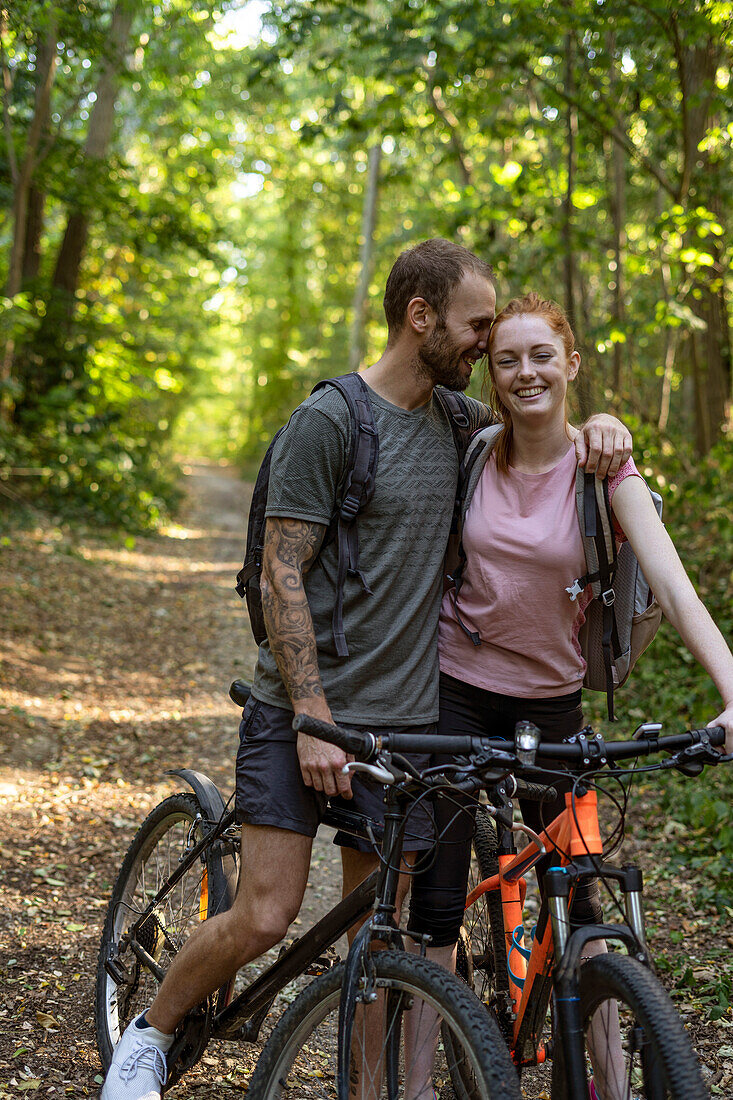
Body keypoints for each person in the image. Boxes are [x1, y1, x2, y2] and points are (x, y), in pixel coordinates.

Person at [100, 243, 632, 1100]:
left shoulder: (461, 426)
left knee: (379, 947)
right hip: (302, 716)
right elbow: (280, 572)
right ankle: (150, 1034)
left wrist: (607, 431)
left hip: (407, 729)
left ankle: (371, 1090)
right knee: (266, 915)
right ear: (420, 317)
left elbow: (547, 439)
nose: (484, 342)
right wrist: (314, 717)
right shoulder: (330, 423)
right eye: (476, 325)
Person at [413, 291, 733, 1100]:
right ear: (492, 371)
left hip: (551, 706)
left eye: (540, 356)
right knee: (438, 907)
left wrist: (732, 690)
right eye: (508, 359)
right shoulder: (472, 452)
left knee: (584, 905)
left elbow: (674, 585)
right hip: (455, 692)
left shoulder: (604, 471)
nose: (525, 372)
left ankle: (610, 1088)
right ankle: (413, 1085)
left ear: (570, 364)